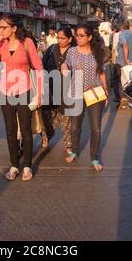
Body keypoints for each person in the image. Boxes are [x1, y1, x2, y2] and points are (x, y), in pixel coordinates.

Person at [0, 14, 43, 181]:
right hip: (6, 92)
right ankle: (14, 165)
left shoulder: (27, 43)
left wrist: (39, 94)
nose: (1, 30)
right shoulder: (1, 44)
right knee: (10, 131)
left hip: (24, 91)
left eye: (4, 27)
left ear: (14, 28)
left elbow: (38, 68)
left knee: (25, 130)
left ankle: (27, 166)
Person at [61, 24, 109, 172]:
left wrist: (106, 91)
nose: (78, 38)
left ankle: (94, 158)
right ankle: (74, 151)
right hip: (76, 92)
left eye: (82, 36)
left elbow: (101, 73)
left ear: (89, 37)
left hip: (94, 93)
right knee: (75, 126)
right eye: (77, 35)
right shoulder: (72, 51)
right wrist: (63, 67)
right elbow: (65, 63)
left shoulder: (97, 52)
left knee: (96, 128)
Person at [41, 26, 76, 155]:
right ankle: (46, 136)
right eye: (58, 38)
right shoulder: (51, 49)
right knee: (48, 116)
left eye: (63, 38)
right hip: (50, 89)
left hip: (67, 90)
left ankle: (68, 145)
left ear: (70, 39)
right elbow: (43, 66)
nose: (60, 40)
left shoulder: (74, 51)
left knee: (67, 119)